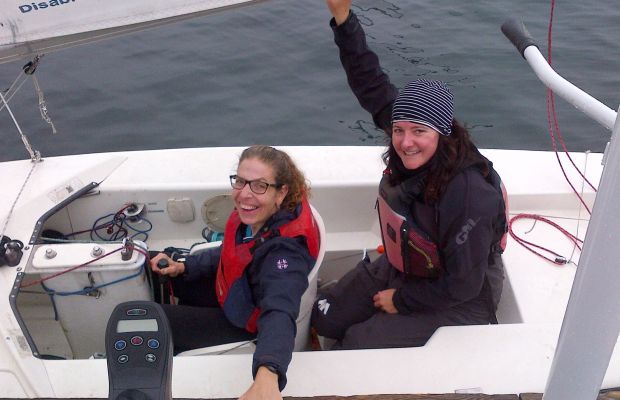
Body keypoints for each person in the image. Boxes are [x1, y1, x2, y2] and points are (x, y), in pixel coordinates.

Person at [311, 0, 508, 350]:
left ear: (442, 132)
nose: (405, 142)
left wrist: (401, 301)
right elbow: (368, 81)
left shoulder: (468, 195)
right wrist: (343, 18)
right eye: (398, 130)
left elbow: (463, 285)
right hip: (410, 266)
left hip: (463, 297)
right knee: (324, 315)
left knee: (358, 341)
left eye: (419, 132)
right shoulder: (408, 131)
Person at [150, 145, 320, 400]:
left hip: (243, 322)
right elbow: (233, 250)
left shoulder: (284, 255)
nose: (244, 195)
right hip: (234, 288)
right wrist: (185, 265)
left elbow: (279, 310)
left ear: (281, 192)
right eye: (240, 182)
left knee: (149, 320)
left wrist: (268, 374)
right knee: (155, 266)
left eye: (259, 185)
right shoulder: (258, 218)